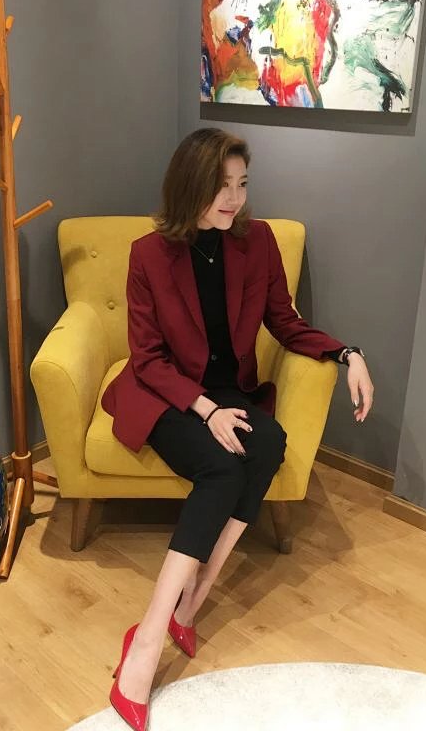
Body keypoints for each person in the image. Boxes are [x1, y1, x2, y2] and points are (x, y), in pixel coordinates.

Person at [101, 128, 374, 731]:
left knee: (269, 443)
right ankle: (147, 639)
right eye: (221, 185)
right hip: (165, 391)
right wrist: (205, 409)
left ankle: (192, 602)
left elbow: (285, 321)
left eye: (242, 184)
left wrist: (347, 353)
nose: (234, 198)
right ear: (189, 187)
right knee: (222, 470)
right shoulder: (149, 254)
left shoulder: (259, 241)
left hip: (228, 391)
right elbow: (146, 358)